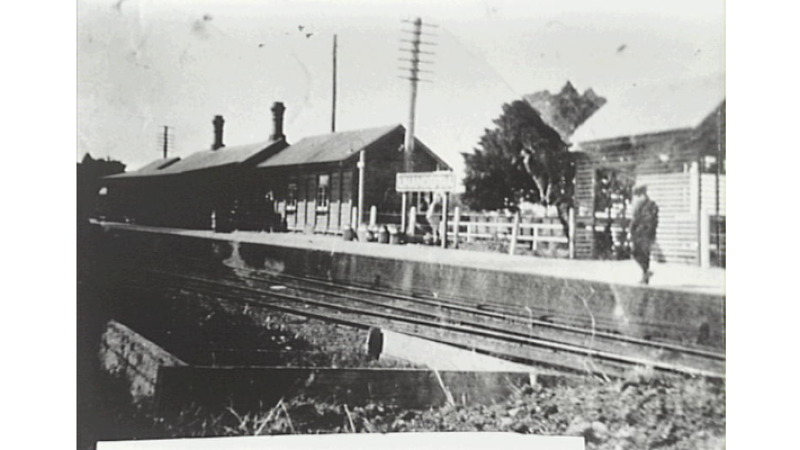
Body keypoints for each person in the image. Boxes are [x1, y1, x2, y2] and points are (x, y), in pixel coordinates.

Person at [630, 185, 659, 284]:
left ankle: (645, 276)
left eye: (639, 195)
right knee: (636, 253)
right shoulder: (639, 205)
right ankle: (646, 273)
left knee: (644, 255)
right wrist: (632, 231)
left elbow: (652, 221)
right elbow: (634, 220)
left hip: (645, 234)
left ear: (644, 194)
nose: (638, 197)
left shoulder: (651, 205)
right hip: (638, 234)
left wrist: (649, 233)